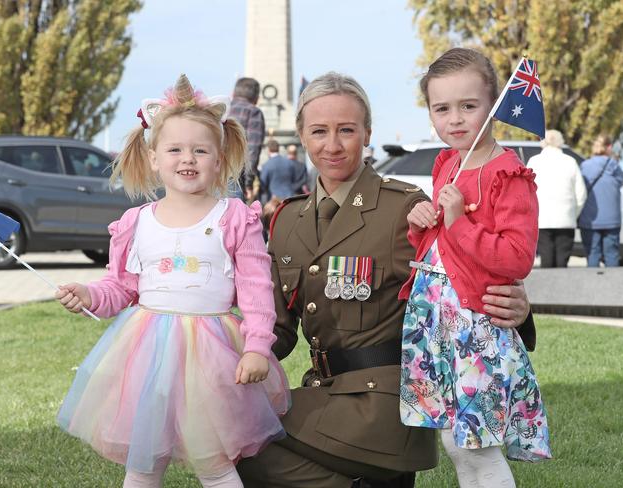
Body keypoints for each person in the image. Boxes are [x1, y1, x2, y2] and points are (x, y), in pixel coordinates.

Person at [237, 71, 537, 488]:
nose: (333, 145)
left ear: (367, 134)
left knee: (246, 446)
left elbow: (463, 274)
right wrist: (214, 349)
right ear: (301, 137)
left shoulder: (404, 210)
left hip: (388, 403)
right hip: (321, 392)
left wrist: (520, 311)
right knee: (237, 435)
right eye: (319, 131)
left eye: (346, 130)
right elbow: (278, 331)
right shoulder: (287, 221)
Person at [54, 74, 290, 488]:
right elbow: (122, 287)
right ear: (153, 158)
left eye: (201, 150)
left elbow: (257, 292)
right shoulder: (135, 222)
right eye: (175, 150)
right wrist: (89, 294)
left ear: (219, 159)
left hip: (214, 354)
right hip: (147, 354)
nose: (188, 159)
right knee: (144, 462)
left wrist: (256, 348)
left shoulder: (235, 218)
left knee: (213, 460)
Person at [399, 47, 551, 488]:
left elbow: (517, 257)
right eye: (441, 108)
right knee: (454, 441)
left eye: (469, 106)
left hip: (474, 327)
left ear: (493, 108)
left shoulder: (508, 173)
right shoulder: (447, 163)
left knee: (477, 445)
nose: (456, 119)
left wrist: (459, 222)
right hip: (436, 322)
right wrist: (420, 224)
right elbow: (439, 244)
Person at [527, 129, 587, 267]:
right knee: (562, 262)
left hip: (542, 219)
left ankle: (549, 287)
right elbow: (581, 194)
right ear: (561, 142)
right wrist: (573, 213)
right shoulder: (570, 161)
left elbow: (527, 192)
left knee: (546, 260)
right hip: (566, 219)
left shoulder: (534, 161)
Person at [578, 134, 623, 267]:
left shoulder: (584, 166)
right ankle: (612, 286)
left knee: (593, 254)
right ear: (609, 147)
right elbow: (622, 180)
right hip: (612, 220)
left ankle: (592, 285)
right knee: (611, 255)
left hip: (590, 220)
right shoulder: (614, 166)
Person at [229, 77, 266, 202]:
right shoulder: (253, 112)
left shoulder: (221, 109)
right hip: (235, 178)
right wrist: (248, 183)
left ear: (234, 93)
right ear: (256, 98)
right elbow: (252, 150)